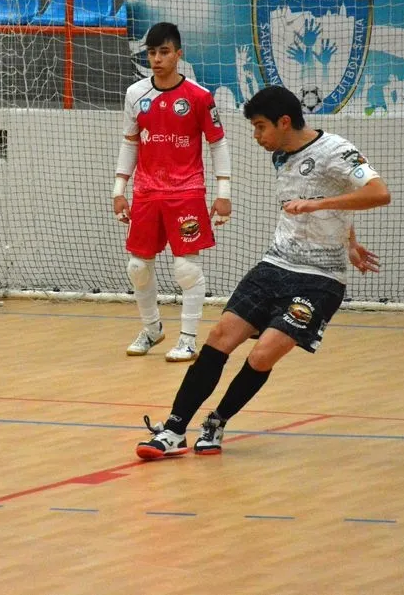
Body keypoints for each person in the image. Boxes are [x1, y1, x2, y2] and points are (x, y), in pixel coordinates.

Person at [136, 84, 390, 459]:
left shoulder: (336, 150)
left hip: (321, 280)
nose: (256, 136)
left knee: (262, 355)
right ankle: (174, 430)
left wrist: (321, 209)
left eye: (260, 127)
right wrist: (350, 239)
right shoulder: (280, 156)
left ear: (284, 121)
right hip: (274, 265)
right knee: (220, 337)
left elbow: (379, 192)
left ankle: (217, 421)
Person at [113, 22, 233, 362]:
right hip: (147, 192)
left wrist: (223, 193)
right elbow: (130, 143)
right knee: (138, 267)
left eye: (164, 52)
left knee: (186, 269)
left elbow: (217, 143)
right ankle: (152, 329)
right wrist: (119, 190)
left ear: (179, 54)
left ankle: (189, 340)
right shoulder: (135, 94)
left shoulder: (199, 96)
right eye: (151, 52)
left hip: (186, 192)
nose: (157, 59)